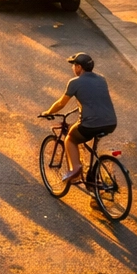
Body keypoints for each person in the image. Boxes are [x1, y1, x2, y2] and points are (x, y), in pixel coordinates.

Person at [38, 52, 117, 183]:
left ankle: (75, 169)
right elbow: (94, 98)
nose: (73, 68)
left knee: (71, 138)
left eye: (74, 65)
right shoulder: (101, 79)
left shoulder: (75, 82)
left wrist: (48, 112)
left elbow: (61, 103)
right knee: (93, 150)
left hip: (90, 124)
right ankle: (93, 183)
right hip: (110, 122)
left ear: (79, 67)